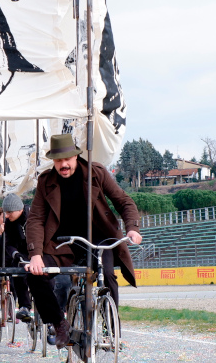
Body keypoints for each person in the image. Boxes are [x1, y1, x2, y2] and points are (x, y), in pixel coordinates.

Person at [25, 133, 142, 348]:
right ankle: (59, 323)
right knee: (34, 274)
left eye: (67, 159)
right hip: (62, 243)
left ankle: (110, 330)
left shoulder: (96, 173)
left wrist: (132, 229)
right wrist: (35, 255)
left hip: (98, 239)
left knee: (107, 275)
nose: (63, 165)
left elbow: (124, 201)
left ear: (76, 157)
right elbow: (35, 219)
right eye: (58, 160)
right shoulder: (45, 182)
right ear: (53, 161)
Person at [0, 194, 33, 322]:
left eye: (8, 213)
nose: (6, 216)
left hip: (31, 251)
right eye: (4, 214)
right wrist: (0, 234)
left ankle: (50, 317)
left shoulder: (31, 216)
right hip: (0, 261)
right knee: (15, 276)